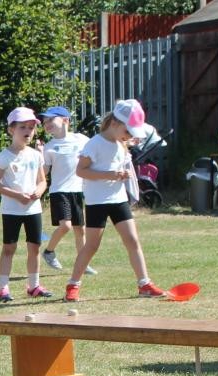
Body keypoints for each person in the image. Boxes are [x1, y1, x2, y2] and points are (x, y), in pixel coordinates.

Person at [64, 100, 165, 302]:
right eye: (128, 131)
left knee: (132, 240)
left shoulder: (121, 144)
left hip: (118, 199)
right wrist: (110, 174)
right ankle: (72, 285)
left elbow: (119, 158)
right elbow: (80, 171)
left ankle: (144, 283)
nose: (129, 136)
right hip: (97, 202)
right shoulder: (94, 144)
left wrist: (123, 174)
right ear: (115, 123)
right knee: (91, 246)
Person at [0, 107, 50, 302]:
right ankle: (3, 288)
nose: (28, 131)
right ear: (11, 130)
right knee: (9, 248)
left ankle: (33, 286)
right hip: (11, 210)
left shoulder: (35, 155)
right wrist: (17, 195)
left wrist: (38, 192)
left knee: (35, 247)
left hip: (33, 209)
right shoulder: (3, 157)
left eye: (31, 128)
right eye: (23, 127)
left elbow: (42, 181)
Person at [39, 106, 95, 276]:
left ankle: (83, 264)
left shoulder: (81, 139)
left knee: (80, 230)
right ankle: (49, 252)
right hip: (59, 191)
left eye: (50, 120)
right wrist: (39, 155)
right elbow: (44, 172)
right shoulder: (48, 147)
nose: (46, 124)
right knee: (66, 226)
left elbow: (93, 156)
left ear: (65, 120)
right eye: (44, 122)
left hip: (77, 191)